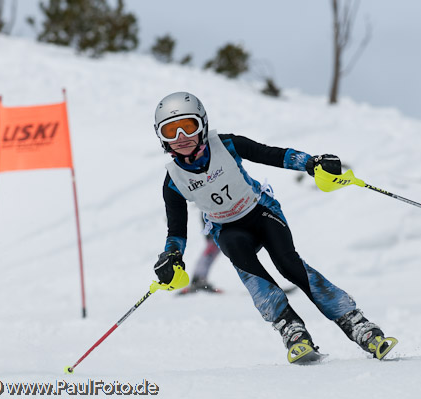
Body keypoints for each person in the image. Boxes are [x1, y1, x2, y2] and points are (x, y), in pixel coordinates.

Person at [152, 92, 397, 364]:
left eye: (189, 126)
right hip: (228, 230)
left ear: (203, 126)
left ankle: (356, 323)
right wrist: (171, 256)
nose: (181, 136)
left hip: (261, 212)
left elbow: (272, 155)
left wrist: (311, 163)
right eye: (171, 130)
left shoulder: (227, 145)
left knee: (288, 264)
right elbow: (176, 231)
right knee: (244, 262)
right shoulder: (173, 181)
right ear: (161, 137)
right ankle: (290, 328)